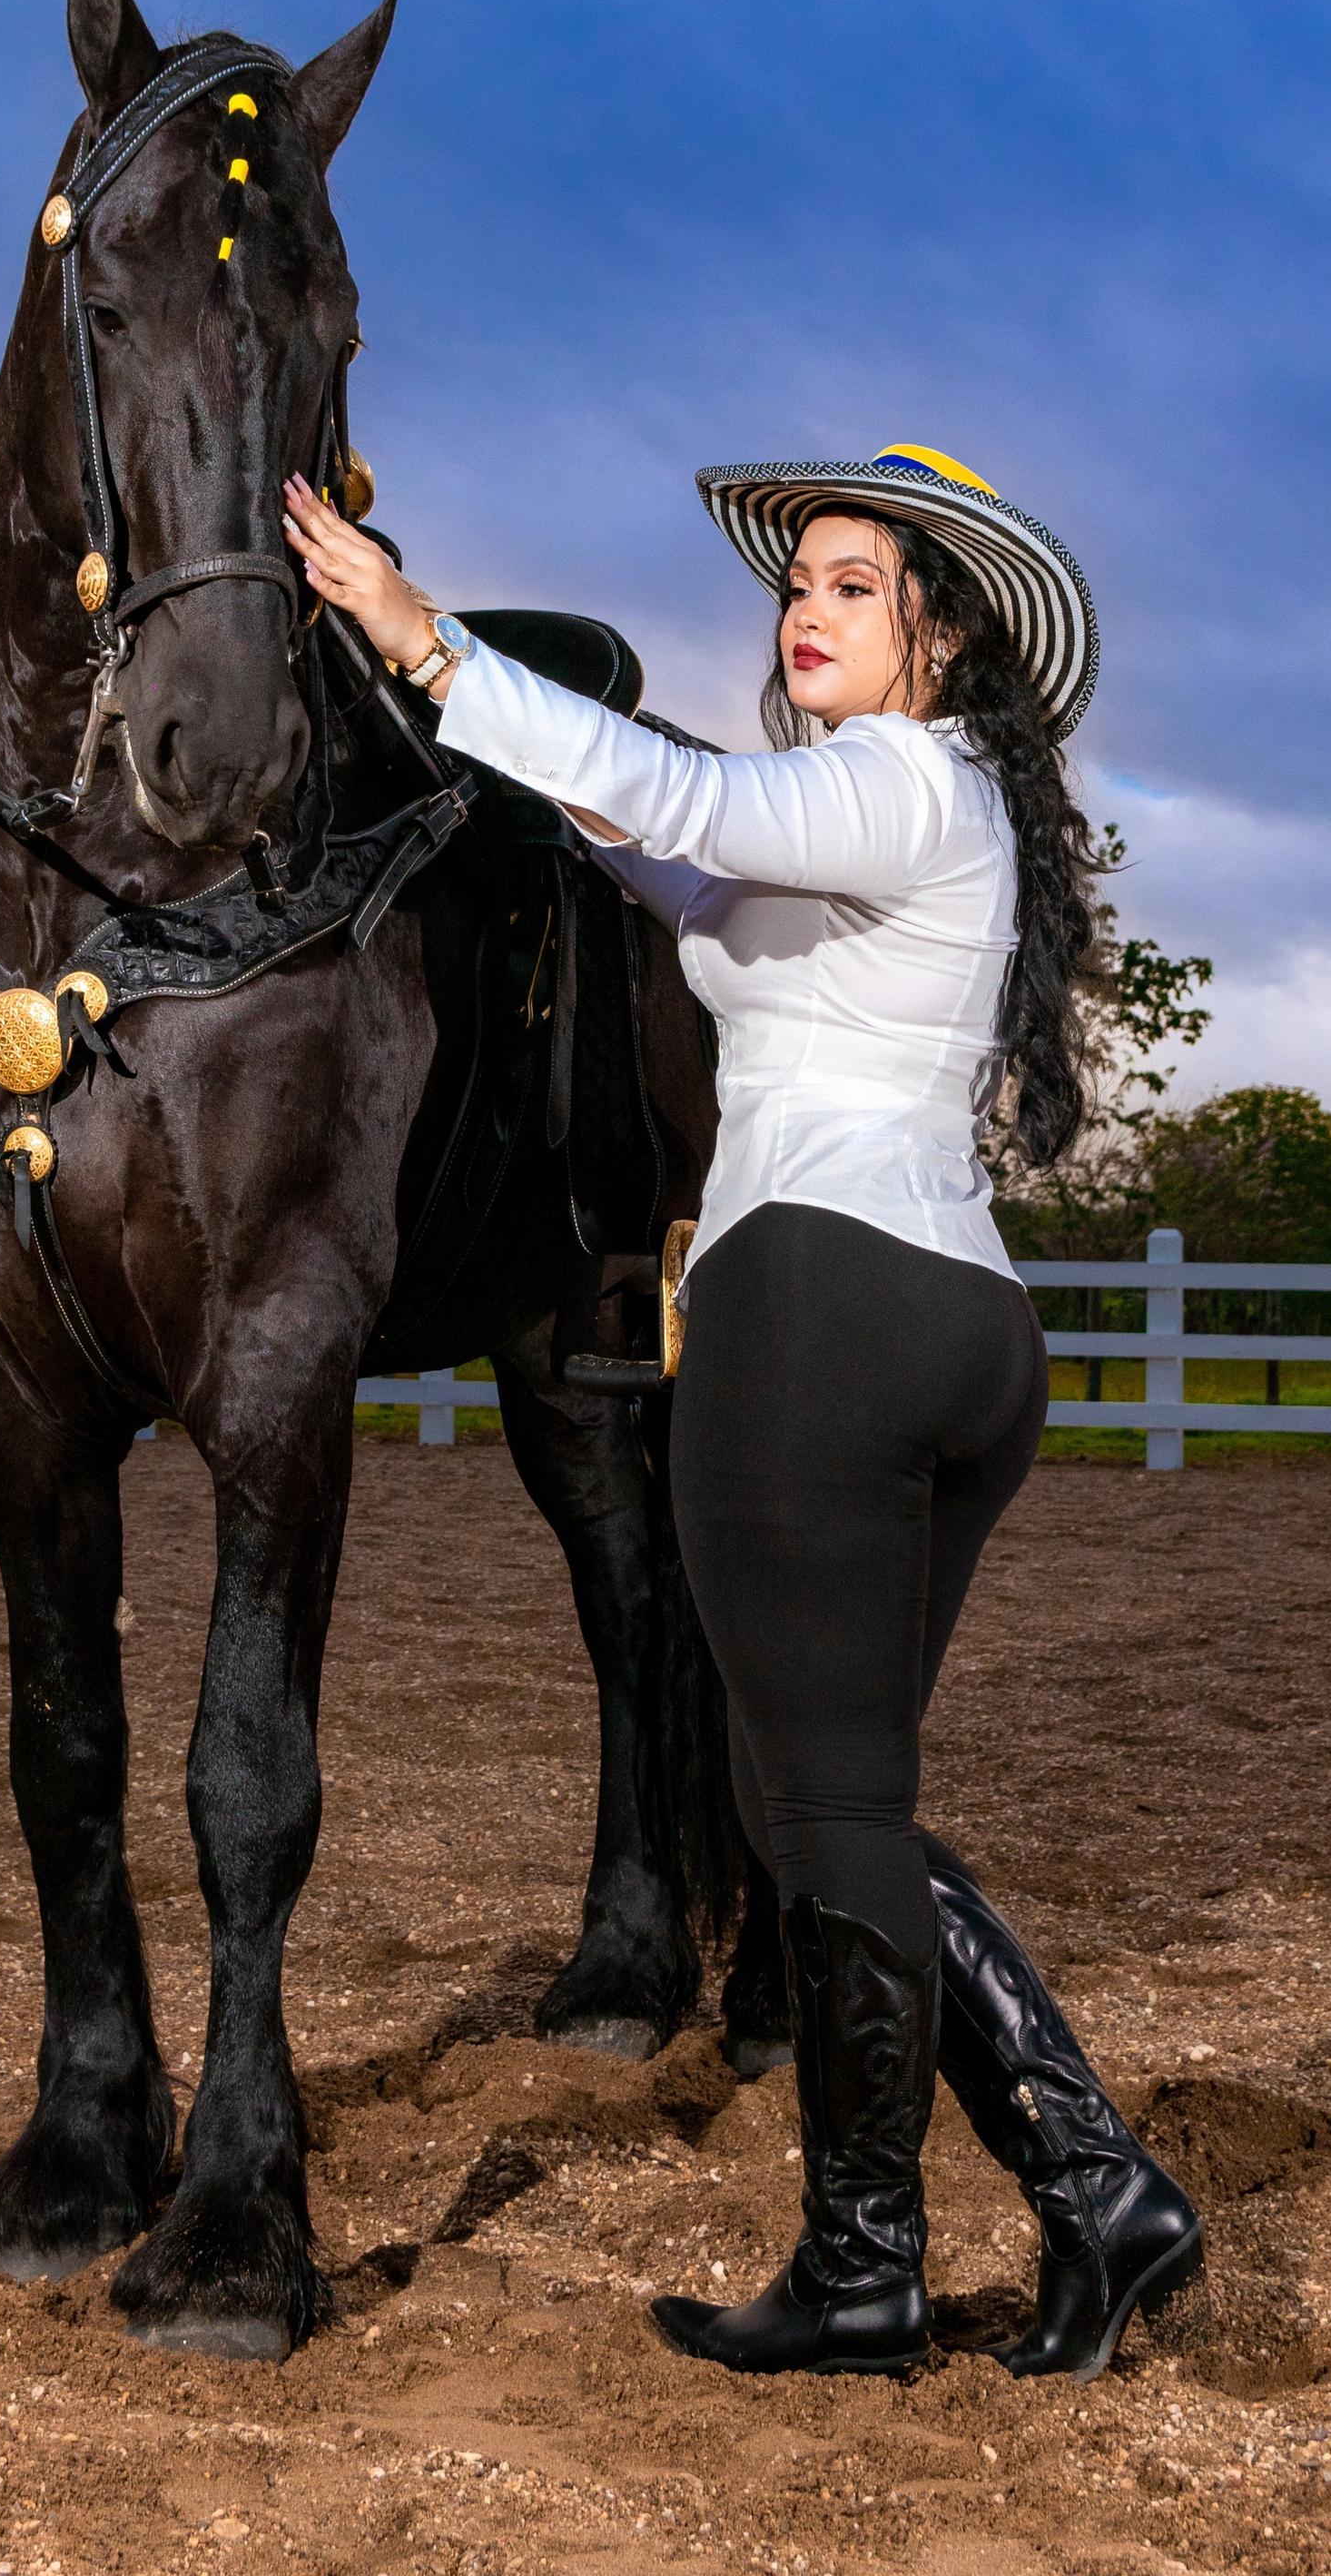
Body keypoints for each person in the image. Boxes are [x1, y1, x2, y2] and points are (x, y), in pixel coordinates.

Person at [283, 445, 1200, 2384]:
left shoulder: (886, 776)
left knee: (825, 1814)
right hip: (949, 1319)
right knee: (821, 1812)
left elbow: (681, 793)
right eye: (800, 577)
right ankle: (931, 2242)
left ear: (939, 636)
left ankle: (1041, 2200)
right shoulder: (910, 817)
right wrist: (466, 704)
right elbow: (664, 848)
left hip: (815, 1314)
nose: (806, 604)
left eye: (855, 582)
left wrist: (415, 635)